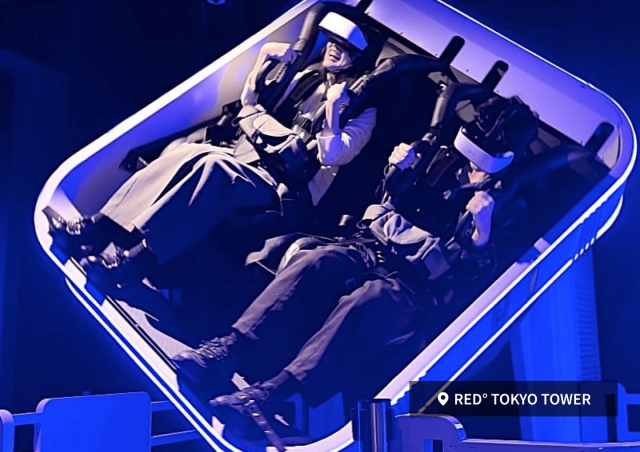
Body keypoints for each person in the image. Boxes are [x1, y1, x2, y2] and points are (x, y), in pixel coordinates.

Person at [170, 95, 539, 441]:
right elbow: (389, 198)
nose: (472, 163)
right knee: (316, 262)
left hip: (416, 286)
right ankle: (226, 351)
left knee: (366, 300)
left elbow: (477, 277)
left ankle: (267, 399)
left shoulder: (511, 205)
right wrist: (397, 169)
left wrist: (482, 231)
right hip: (371, 246)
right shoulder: (441, 158)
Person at [47, 12, 379, 290]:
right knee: (188, 152)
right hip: (247, 156)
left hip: (284, 189)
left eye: (343, 48)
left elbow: (333, 156)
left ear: (359, 60)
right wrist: (263, 60)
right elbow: (250, 105)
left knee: (214, 166)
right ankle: (98, 228)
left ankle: (134, 262)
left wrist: (333, 112)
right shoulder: (308, 77)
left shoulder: (363, 112)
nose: (332, 49)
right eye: (332, 42)